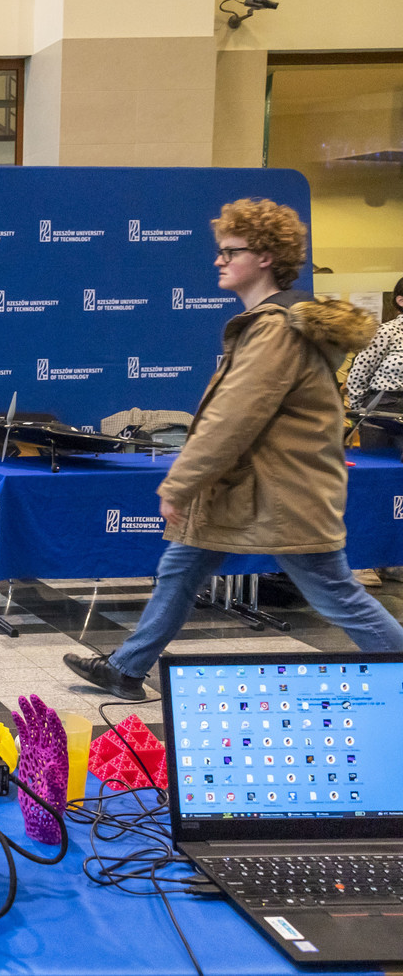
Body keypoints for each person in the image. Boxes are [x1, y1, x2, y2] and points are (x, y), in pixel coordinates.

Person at [64, 198, 403, 700]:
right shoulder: (272, 322)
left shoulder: (274, 329)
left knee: (336, 594)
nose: (218, 260)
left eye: (230, 251)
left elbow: (233, 418)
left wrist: (181, 483)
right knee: (181, 569)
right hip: (249, 490)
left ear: (265, 257)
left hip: (284, 493)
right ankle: (126, 668)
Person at [344, 276, 403, 586]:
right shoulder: (387, 332)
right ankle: (364, 562)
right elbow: (359, 373)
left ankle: (395, 559)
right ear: (400, 301)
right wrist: (360, 412)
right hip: (382, 411)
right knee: (374, 486)